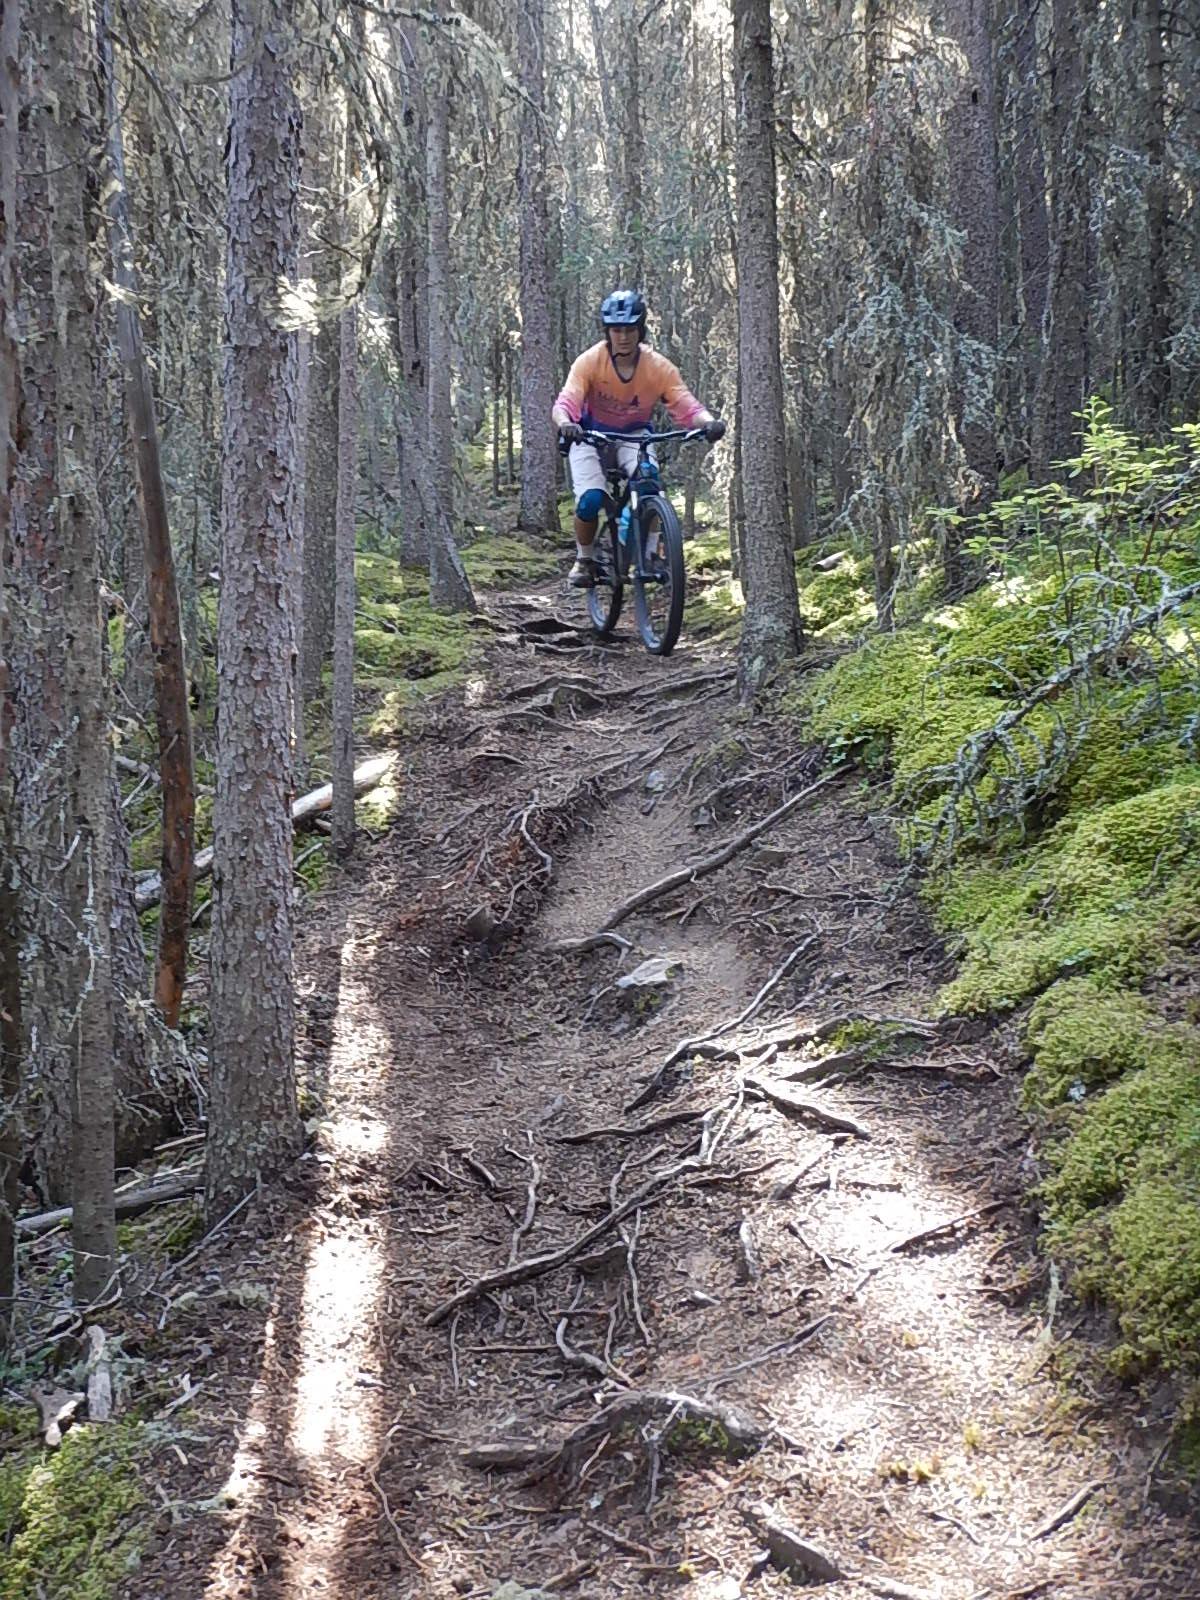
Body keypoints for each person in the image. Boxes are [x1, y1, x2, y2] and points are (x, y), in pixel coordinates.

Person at [551, 289, 725, 587]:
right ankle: (584, 559)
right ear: (608, 332)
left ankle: (651, 552)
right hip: (589, 434)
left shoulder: (657, 367)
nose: (623, 336)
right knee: (591, 500)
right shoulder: (590, 362)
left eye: (630, 329)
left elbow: (686, 404)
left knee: (650, 484)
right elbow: (566, 401)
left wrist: (708, 423)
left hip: (633, 434)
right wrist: (566, 424)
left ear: (640, 330)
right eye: (617, 330)